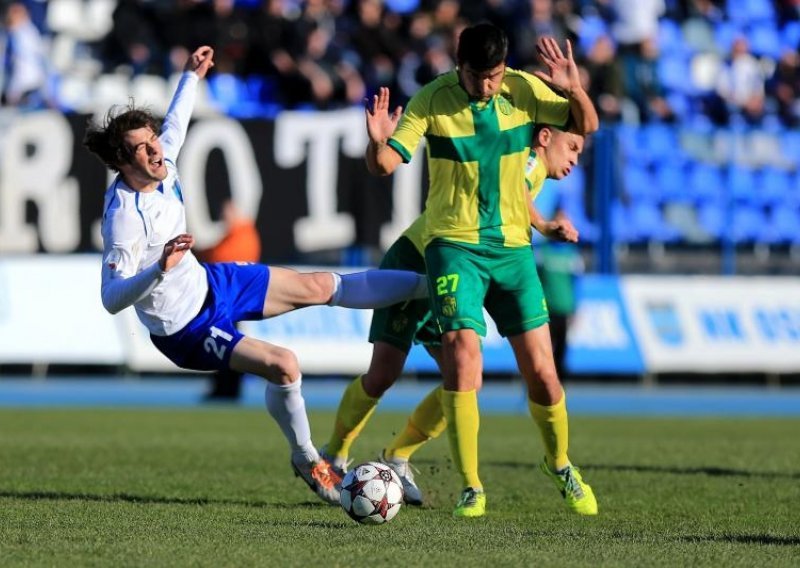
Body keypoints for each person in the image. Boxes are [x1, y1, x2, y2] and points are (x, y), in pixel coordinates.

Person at [83, 45, 429, 507]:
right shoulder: (123, 218)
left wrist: (190, 75)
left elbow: (177, 123)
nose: (155, 151)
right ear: (122, 164)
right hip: (185, 329)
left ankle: (432, 285)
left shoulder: (161, 157)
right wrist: (157, 269)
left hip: (212, 283)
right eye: (141, 150)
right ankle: (309, 460)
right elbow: (110, 299)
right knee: (284, 364)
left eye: (152, 141)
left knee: (320, 285)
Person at [363, 22, 599, 518]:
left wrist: (574, 86)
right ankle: (471, 485)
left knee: (543, 376)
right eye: (477, 76)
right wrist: (376, 143)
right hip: (453, 246)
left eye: (492, 76)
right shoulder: (431, 100)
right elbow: (384, 165)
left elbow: (586, 125)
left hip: (512, 249)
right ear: (458, 63)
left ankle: (559, 465)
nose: (486, 86)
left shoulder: (524, 88)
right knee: (462, 355)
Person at [323, 124, 585, 509]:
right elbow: (519, 189)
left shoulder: (532, 164)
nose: (576, 158)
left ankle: (397, 455)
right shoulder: (529, 162)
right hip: (416, 258)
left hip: (450, 268)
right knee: (383, 374)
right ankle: (333, 455)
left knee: (464, 378)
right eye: (573, 146)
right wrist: (543, 224)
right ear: (546, 137)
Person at [196, 200, 262, 401]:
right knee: (224, 342)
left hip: (231, 301)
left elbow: (221, 258)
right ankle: (224, 386)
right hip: (232, 301)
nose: (224, 218)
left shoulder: (242, 236)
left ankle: (227, 387)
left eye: (227, 214)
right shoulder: (236, 236)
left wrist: (196, 256)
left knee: (226, 342)